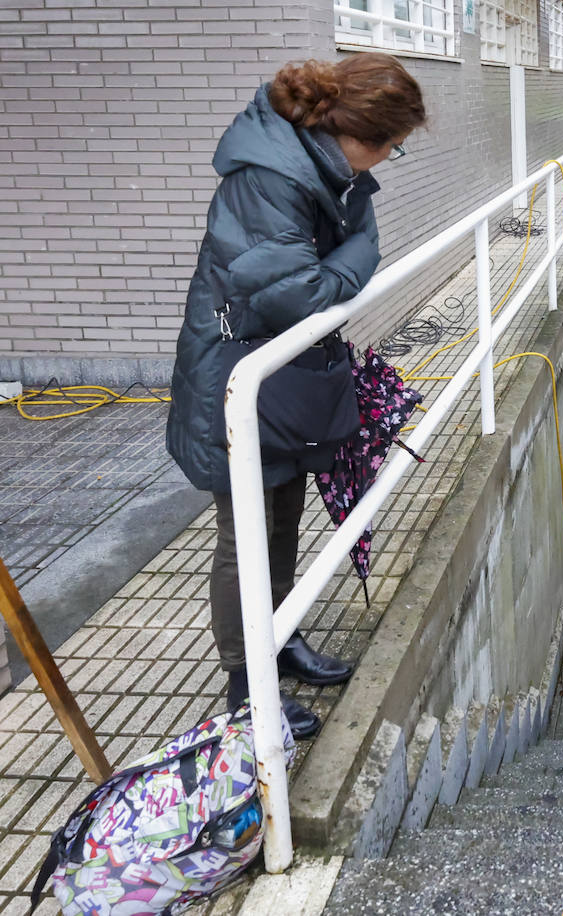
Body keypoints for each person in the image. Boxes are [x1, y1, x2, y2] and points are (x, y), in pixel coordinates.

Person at [166, 55, 427, 739]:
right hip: (235, 378)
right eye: (391, 145)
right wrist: (355, 259)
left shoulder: (320, 168)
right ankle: (246, 687)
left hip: (276, 379)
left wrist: (347, 258)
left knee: (281, 514)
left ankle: (280, 640)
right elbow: (299, 295)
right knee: (244, 534)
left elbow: (343, 253)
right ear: (354, 131)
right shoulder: (269, 177)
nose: (388, 159)